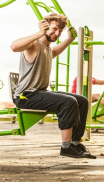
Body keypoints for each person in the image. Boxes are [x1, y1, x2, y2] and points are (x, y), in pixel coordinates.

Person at [11, 13, 96, 159]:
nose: (56, 34)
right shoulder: (34, 44)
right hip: (26, 95)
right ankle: (66, 147)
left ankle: (75, 143)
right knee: (68, 102)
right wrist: (39, 32)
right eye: (54, 29)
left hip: (40, 93)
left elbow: (55, 51)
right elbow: (14, 46)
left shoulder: (47, 48)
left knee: (82, 100)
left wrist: (69, 38)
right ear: (45, 26)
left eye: (59, 32)